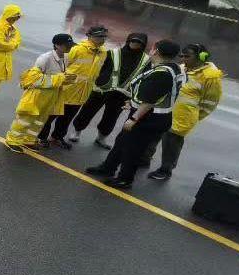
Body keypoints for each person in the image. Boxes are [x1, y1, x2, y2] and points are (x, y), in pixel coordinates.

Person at [86, 40, 184, 189]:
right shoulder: (172, 68)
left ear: (156, 51)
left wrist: (134, 118)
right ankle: (108, 167)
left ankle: (125, 179)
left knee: (133, 149)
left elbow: (150, 101)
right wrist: (132, 103)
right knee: (122, 141)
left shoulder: (162, 73)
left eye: (153, 48)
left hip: (149, 118)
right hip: (149, 115)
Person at [148, 43, 224, 181]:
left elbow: (210, 102)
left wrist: (195, 116)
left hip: (183, 117)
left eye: (187, 56)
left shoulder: (211, 76)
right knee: (153, 135)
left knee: (171, 144)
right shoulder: (181, 68)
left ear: (201, 57)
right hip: (165, 111)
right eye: (181, 56)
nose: (183, 59)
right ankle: (144, 159)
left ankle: (165, 170)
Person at [68, 33, 151, 149]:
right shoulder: (113, 53)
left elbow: (143, 78)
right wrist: (98, 81)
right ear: (128, 41)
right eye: (133, 41)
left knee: (111, 117)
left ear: (143, 45)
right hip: (102, 89)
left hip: (122, 94)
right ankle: (77, 131)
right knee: (87, 111)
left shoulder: (146, 60)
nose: (135, 44)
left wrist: (133, 96)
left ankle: (101, 137)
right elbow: (99, 68)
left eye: (138, 42)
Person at [38, 26, 108, 149]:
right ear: (89, 36)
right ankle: (41, 137)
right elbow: (60, 65)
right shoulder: (77, 49)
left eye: (104, 36)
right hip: (65, 90)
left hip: (82, 93)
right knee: (50, 116)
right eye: (99, 36)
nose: (102, 39)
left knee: (67, 118)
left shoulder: (103, 52)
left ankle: (57, 137)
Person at [4, 34, 76, 151]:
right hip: (37, 95)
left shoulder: (64, 58)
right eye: (66, 45)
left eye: (70, 45)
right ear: (57, 45)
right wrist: (60, 79)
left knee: (39, 121)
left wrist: (67, 79)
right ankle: (13, 140)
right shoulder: (45, 59)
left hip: (50, 96)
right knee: (25, 120)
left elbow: (58, 78)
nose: (70, 47)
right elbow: (33, 79)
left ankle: (28, 140)